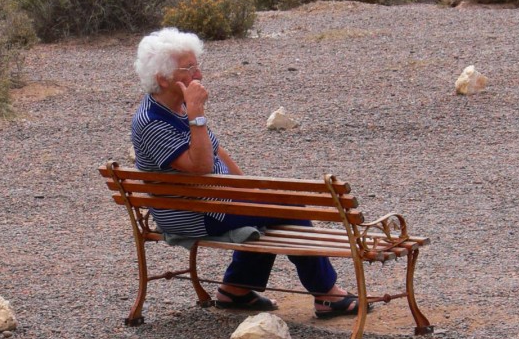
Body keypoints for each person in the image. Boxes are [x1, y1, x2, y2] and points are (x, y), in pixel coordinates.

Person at [131, 27, 364, 318]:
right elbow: (202, 167)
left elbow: (216, 150)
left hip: (204, 203)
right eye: (188, 68)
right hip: (191, 213)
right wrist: (197, 113)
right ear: (162, 78)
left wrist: (247, 189)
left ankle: (236, 289)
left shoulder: (174, 109)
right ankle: (326, 294)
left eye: (197, 66)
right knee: (288, 206)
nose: (199, 75)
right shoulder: (153, 122)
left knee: (268, 203)